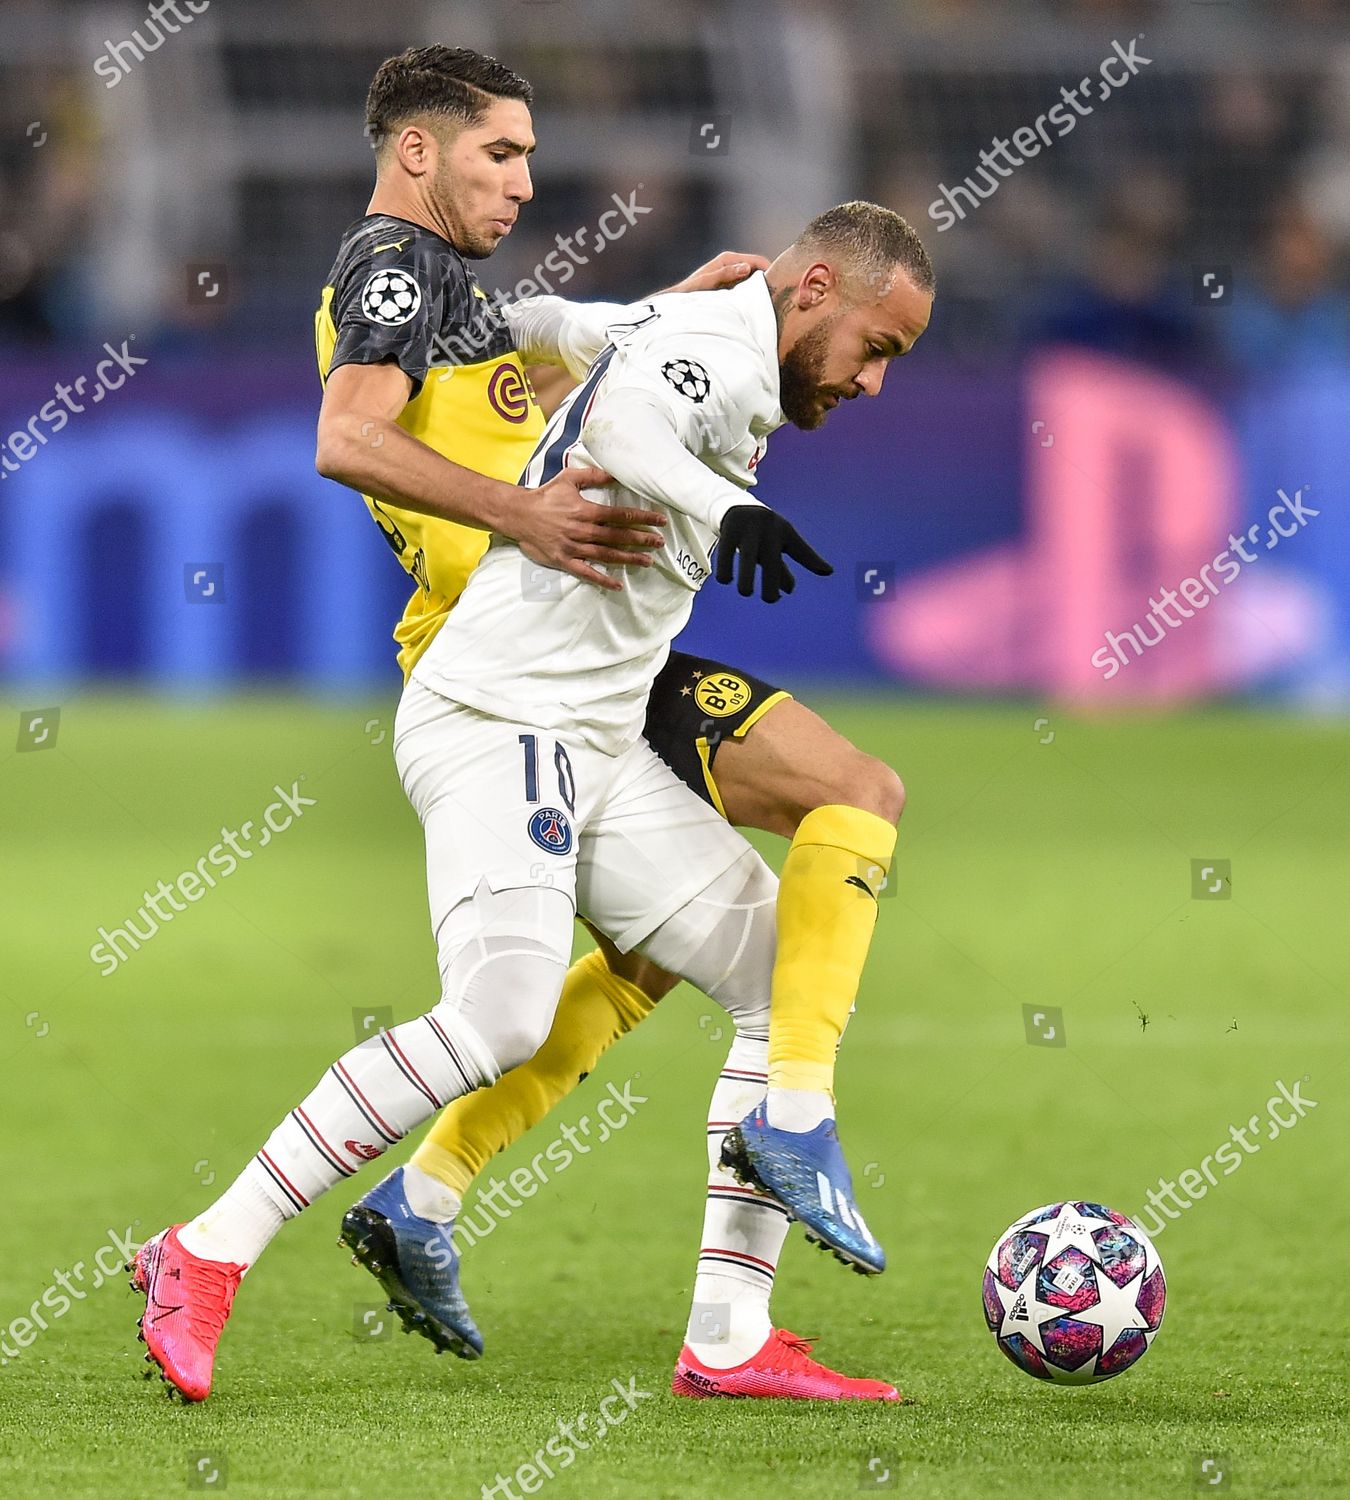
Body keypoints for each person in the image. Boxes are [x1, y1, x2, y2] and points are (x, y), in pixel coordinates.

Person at [130, 45, 931, 1404]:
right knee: (499, 1011)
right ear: (419, 150)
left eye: (528, 154)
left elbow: (567, 372)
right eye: (500, 152)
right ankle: (202, 1252)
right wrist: (532, 511)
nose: (525, 177)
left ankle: (725, 1337)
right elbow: (346, 436)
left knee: (769, 967)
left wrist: (669, 317)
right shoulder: (393, 268)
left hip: (584, 701)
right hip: (500, 689)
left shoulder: (448, 291)